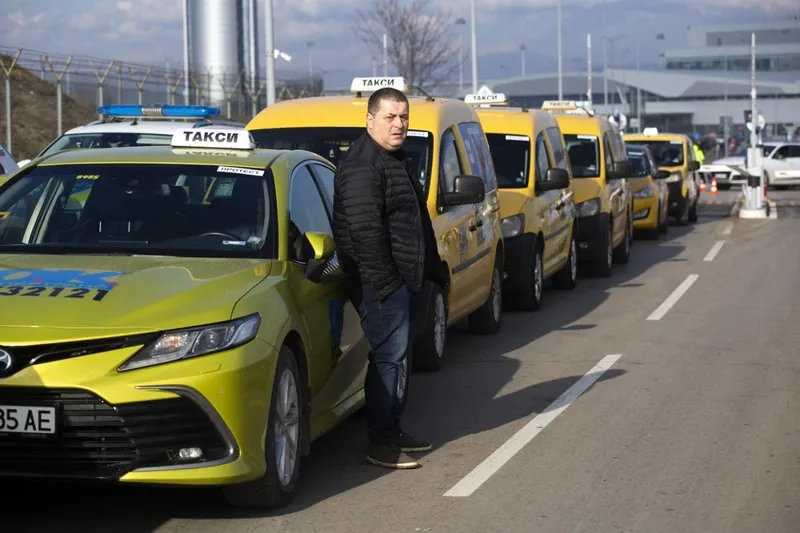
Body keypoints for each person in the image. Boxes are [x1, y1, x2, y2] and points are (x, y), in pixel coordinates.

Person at [332, 87, 440, 470]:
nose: (399, 124)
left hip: (401, 279)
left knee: (398, 360)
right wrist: (388, 283)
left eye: (404, 117)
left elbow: (414, 220)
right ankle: (380, 443)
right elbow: (364, 233)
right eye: (390, 117)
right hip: (380, 284)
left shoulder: (394, 158)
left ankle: (392, 431)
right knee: (388, 360)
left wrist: (432, 267)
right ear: (370, 120)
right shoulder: (364, 165)